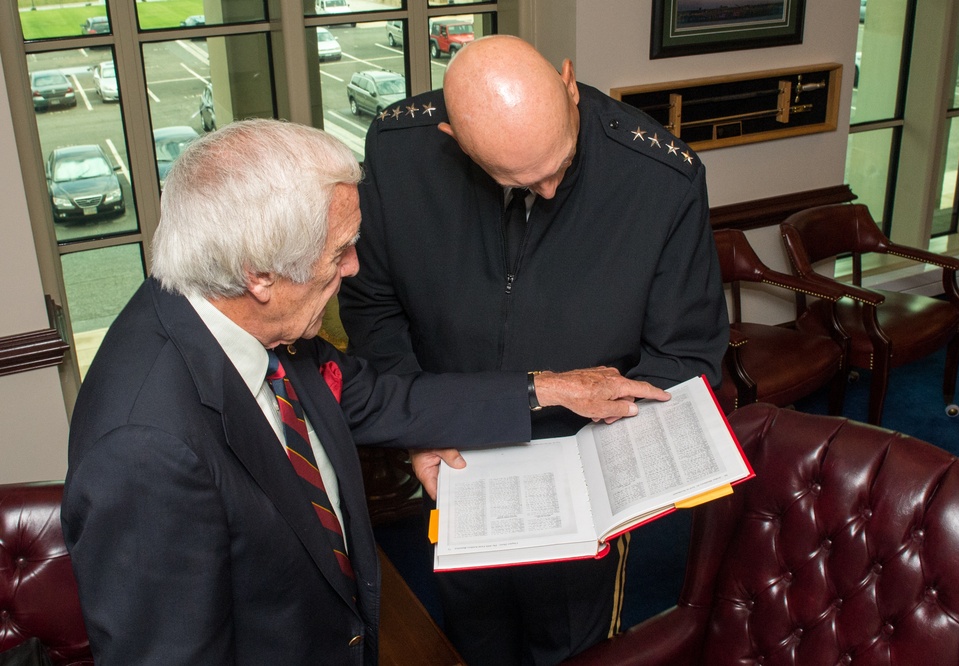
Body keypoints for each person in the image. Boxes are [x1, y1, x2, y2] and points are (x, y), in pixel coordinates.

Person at [60, 118, 670, 666]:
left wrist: (551, 388)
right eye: (339, 252)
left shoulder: (243, 319)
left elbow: (374, 397)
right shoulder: (143, 450)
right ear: (260, 273)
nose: (354, 268)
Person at [338, 35, 729, 665]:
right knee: (472, 636)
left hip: (589, 477)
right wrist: (423, 424)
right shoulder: (397, 152)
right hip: (458, 462)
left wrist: (607, 472)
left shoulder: (661, 179)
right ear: (452, 137)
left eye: (560, 165)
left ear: (569, 85)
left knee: (573, 649)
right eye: (517, 179)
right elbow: (373, 307)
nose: (548, 193)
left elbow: (686, 357)